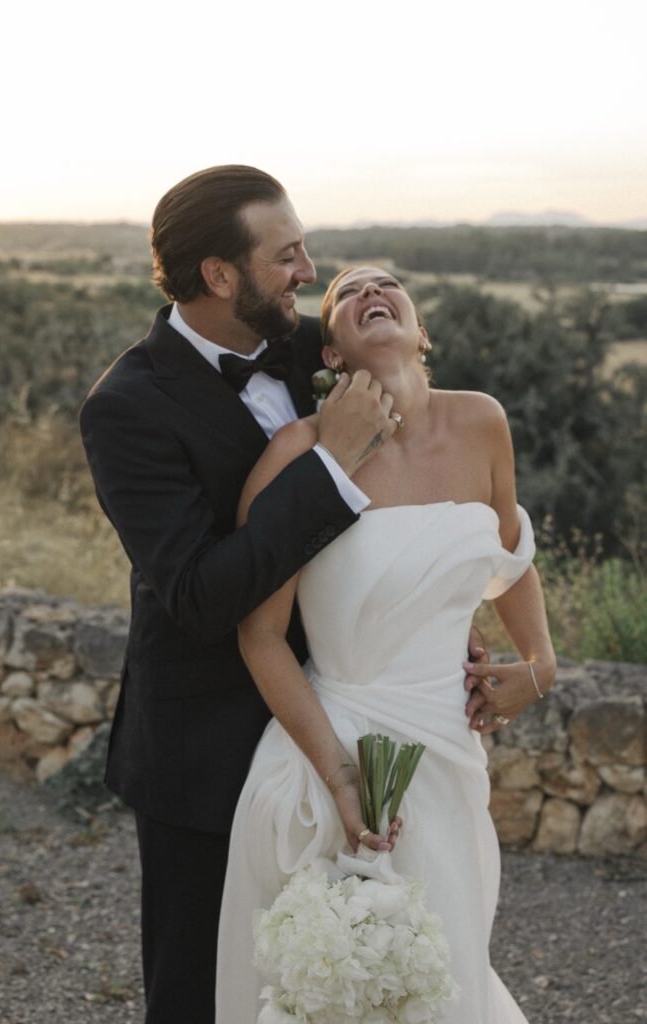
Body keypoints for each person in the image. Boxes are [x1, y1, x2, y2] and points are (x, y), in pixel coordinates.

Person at [79, 167, 404, 1024]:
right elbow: (195, 593)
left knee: (339, 975)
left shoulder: (312, 351)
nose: (308, 269)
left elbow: (406, 487)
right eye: (286, 253)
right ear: (221, 276)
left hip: (344, 709)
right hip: (204, 747)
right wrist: (328, 463)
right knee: (199, 992)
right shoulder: (126, 408)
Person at [216, 266, 557, 1024]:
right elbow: (261, 634)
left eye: (390, 282)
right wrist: (336, 772)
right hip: (329, 761)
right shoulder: (295, 453)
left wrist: (541, 663)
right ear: (331, 353)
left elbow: (510, 557)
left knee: (449, 969)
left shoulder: (482, 422)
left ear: (420, 330)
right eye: (347, 292)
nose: (374, 288)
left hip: (449, 759)